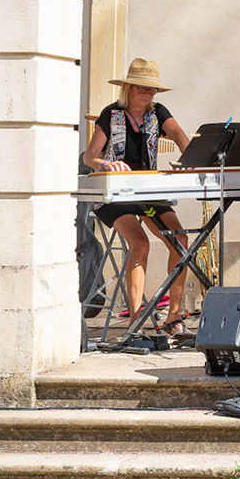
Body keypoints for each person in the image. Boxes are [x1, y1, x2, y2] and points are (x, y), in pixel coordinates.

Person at [83, 58, 194, 337]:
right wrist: (106, 164)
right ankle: (135, 320)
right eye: (141, 89)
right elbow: (90, 156)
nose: (146, 95)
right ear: (129, 89)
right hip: (115, 194)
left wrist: (192, 158)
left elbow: (179, 134)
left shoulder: (158, 113)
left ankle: (174, 315)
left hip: (148, 193)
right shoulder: (111, 114)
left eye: (151, 90)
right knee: (140, 243)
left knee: (180, 240)